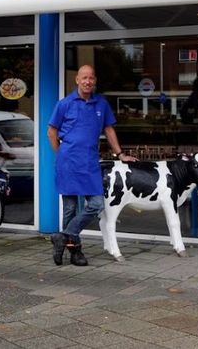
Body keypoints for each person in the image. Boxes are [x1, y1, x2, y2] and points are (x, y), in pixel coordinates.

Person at [47, 64, 137, 266]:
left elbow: (109, 129)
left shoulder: (101, 104)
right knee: (69, 208)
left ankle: (62, 236)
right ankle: (75, 252)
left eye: (91, 78)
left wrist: (120, 154)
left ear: (94, 81)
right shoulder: (64, 104)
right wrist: (61, 154)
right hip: (68, 163)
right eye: (84, 78)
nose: (87, 81)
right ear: (77, 80)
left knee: (96, 204)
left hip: (89, 163)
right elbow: (51, 132)